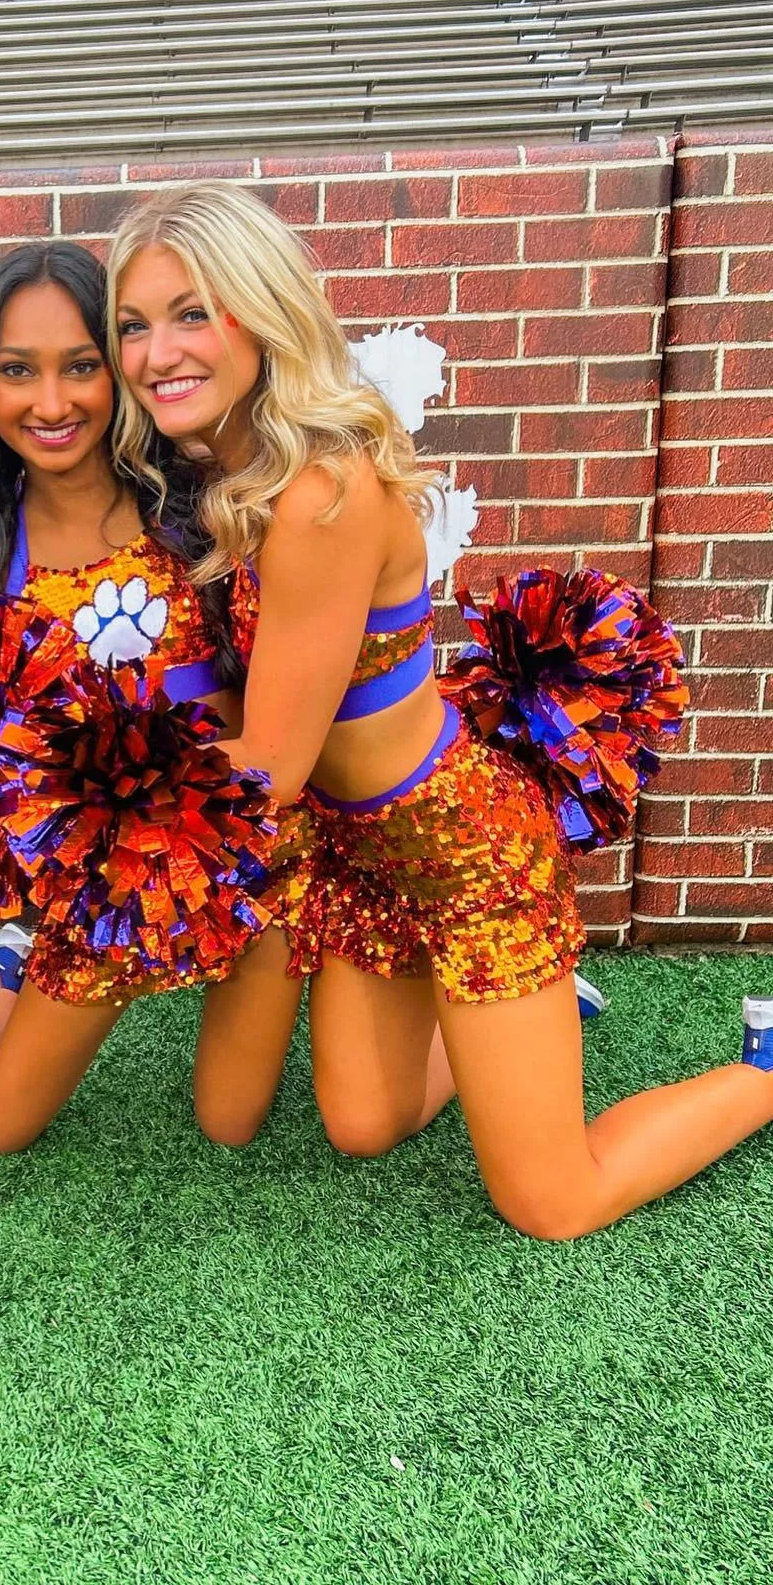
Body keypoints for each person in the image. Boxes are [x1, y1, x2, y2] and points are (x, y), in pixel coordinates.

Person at [106, 181, 773, 1238]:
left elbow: (268, 769)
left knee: (555, 1202)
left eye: (192, 312)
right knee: (362, 1127)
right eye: (134, 326)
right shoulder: (228, 477)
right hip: (364, 860)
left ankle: (764, 1072)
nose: (155, 353)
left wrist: (59, 786)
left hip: (468, 859)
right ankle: (528, 1031)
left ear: (261, 312)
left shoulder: (321, 492)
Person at [0, 239, 314, 1155]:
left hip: (252, 868)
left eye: (82, 367)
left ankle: (496, 1004)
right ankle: (7, 972)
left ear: (120, 372)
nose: (52, 402)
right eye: (16, 371)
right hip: (104, 892)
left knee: (230, 1125)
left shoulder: (207, 502)